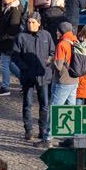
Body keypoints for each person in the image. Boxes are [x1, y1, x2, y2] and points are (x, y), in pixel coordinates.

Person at [10, 14, 52, 143]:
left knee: (44, 104)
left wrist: (49, 61)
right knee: (27, 104)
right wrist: (24, 68)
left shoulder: (46, 35)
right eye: (29, 22)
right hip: (27, 76)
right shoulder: (21, 37)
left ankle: (43, 130)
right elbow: (15, 56)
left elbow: (52, 52)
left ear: (39, 23)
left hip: (43, 75)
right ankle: (28, 130)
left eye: (33, 22)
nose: (30, 24)